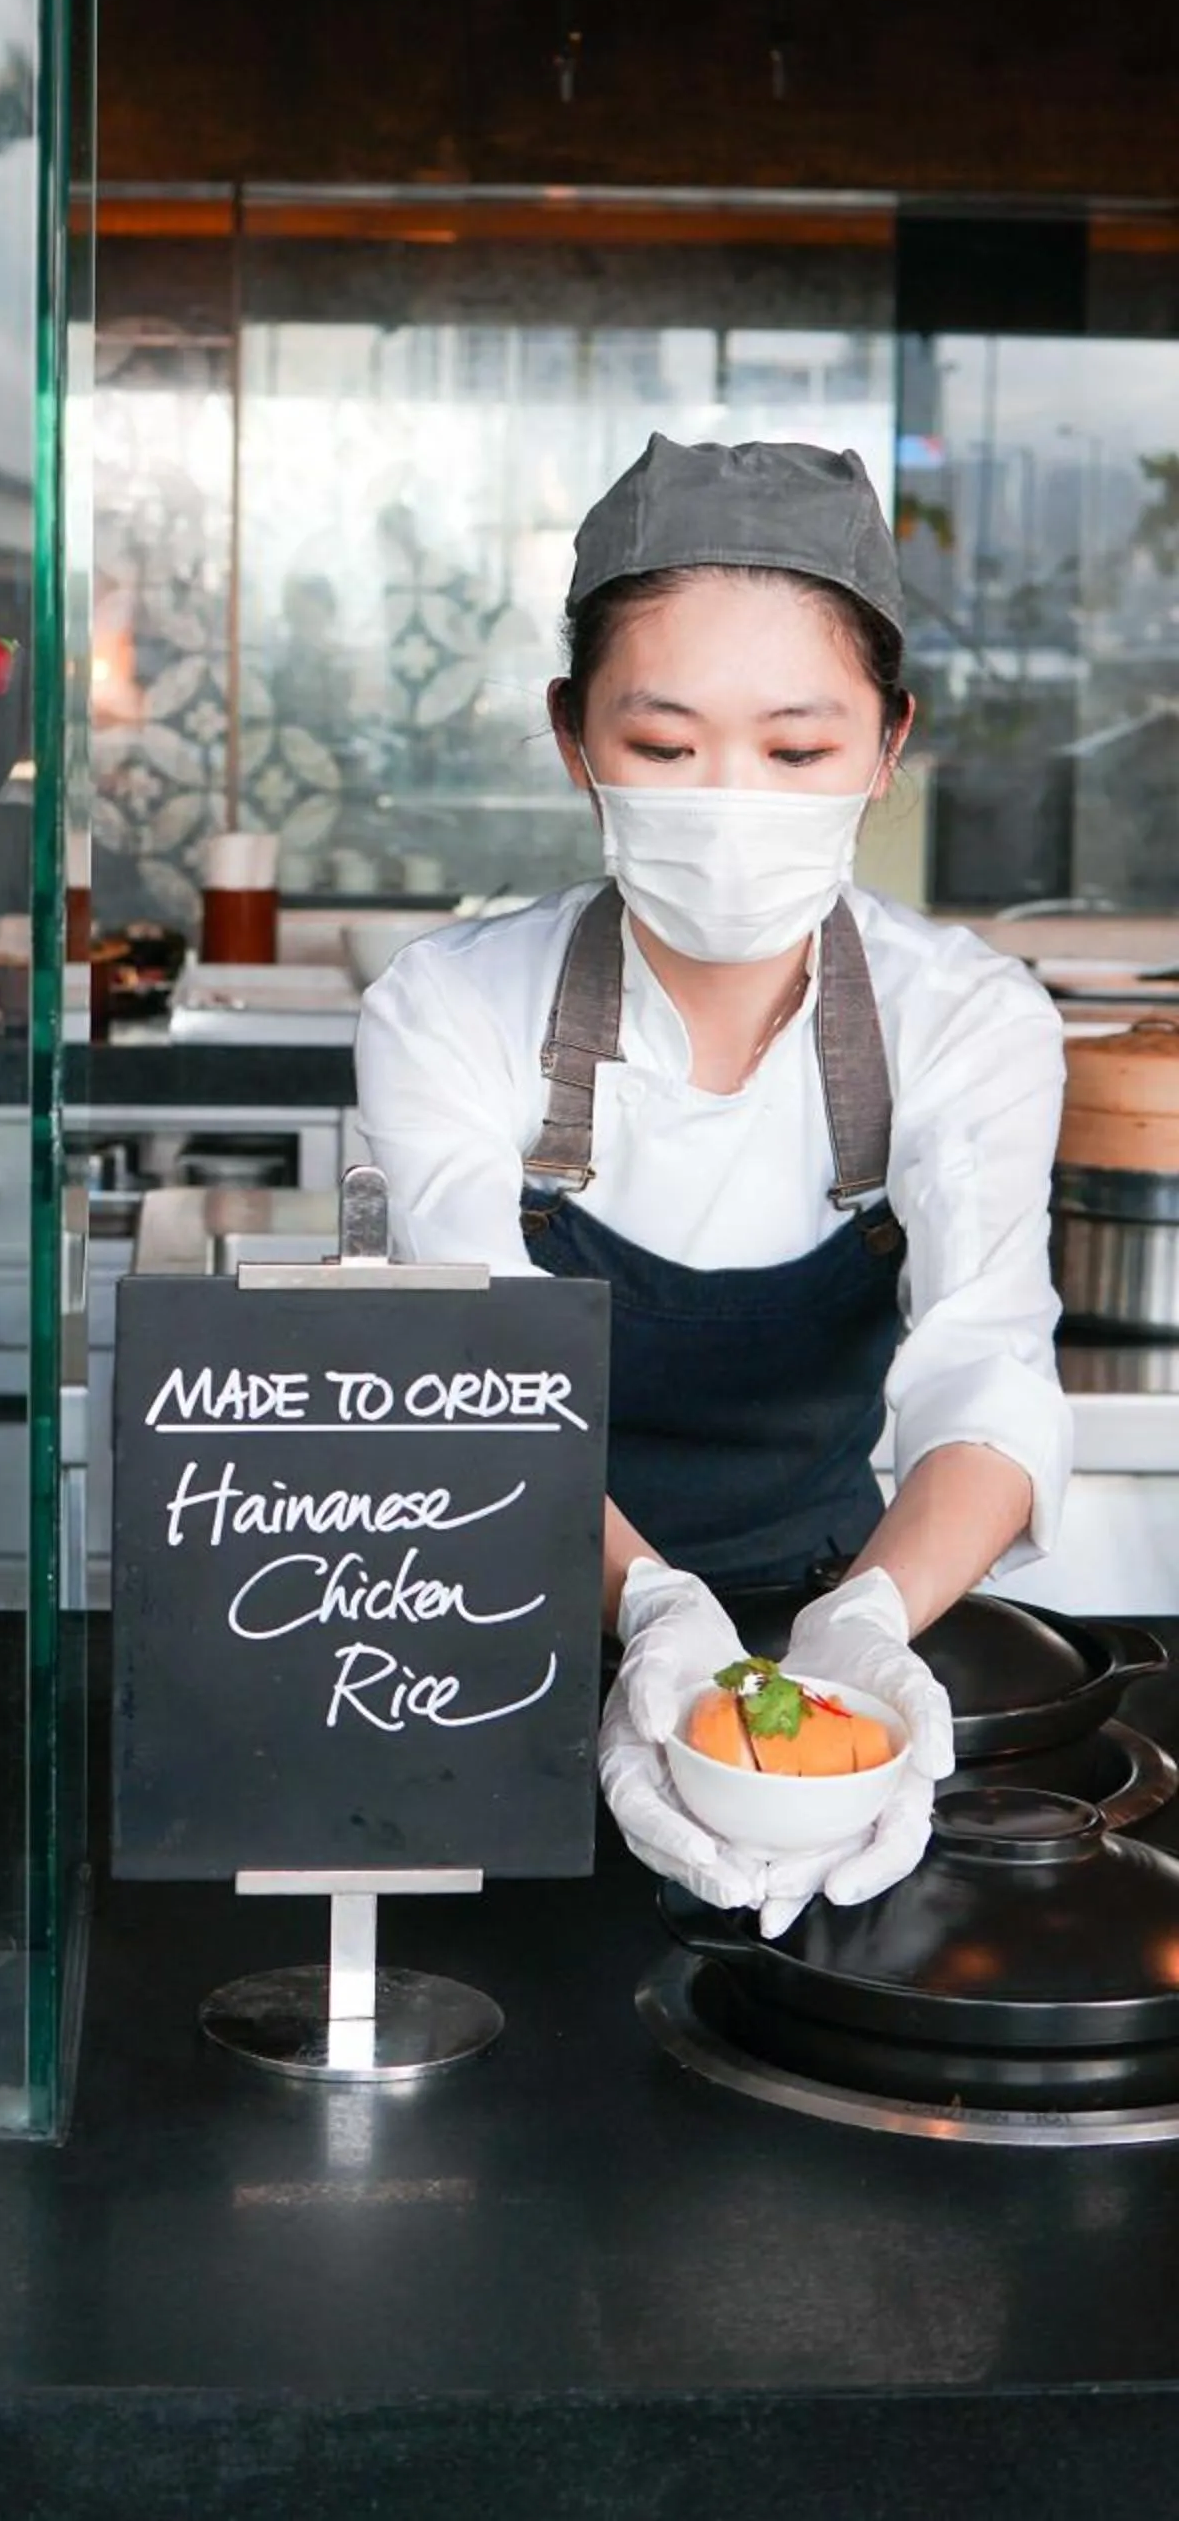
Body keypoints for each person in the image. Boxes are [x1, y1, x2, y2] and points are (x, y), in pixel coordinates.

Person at [355, 434, 1069, 1934]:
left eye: (798, 751)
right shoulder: (450, 1012)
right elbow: (481, 1382)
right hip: (479, 1628)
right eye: (666, 748)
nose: (729, 800)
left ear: (887, 749)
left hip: (823, 1650)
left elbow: (986, 1374)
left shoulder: (968, 1021)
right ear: (573, 740)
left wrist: (867, 1626)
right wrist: (653, 1611)